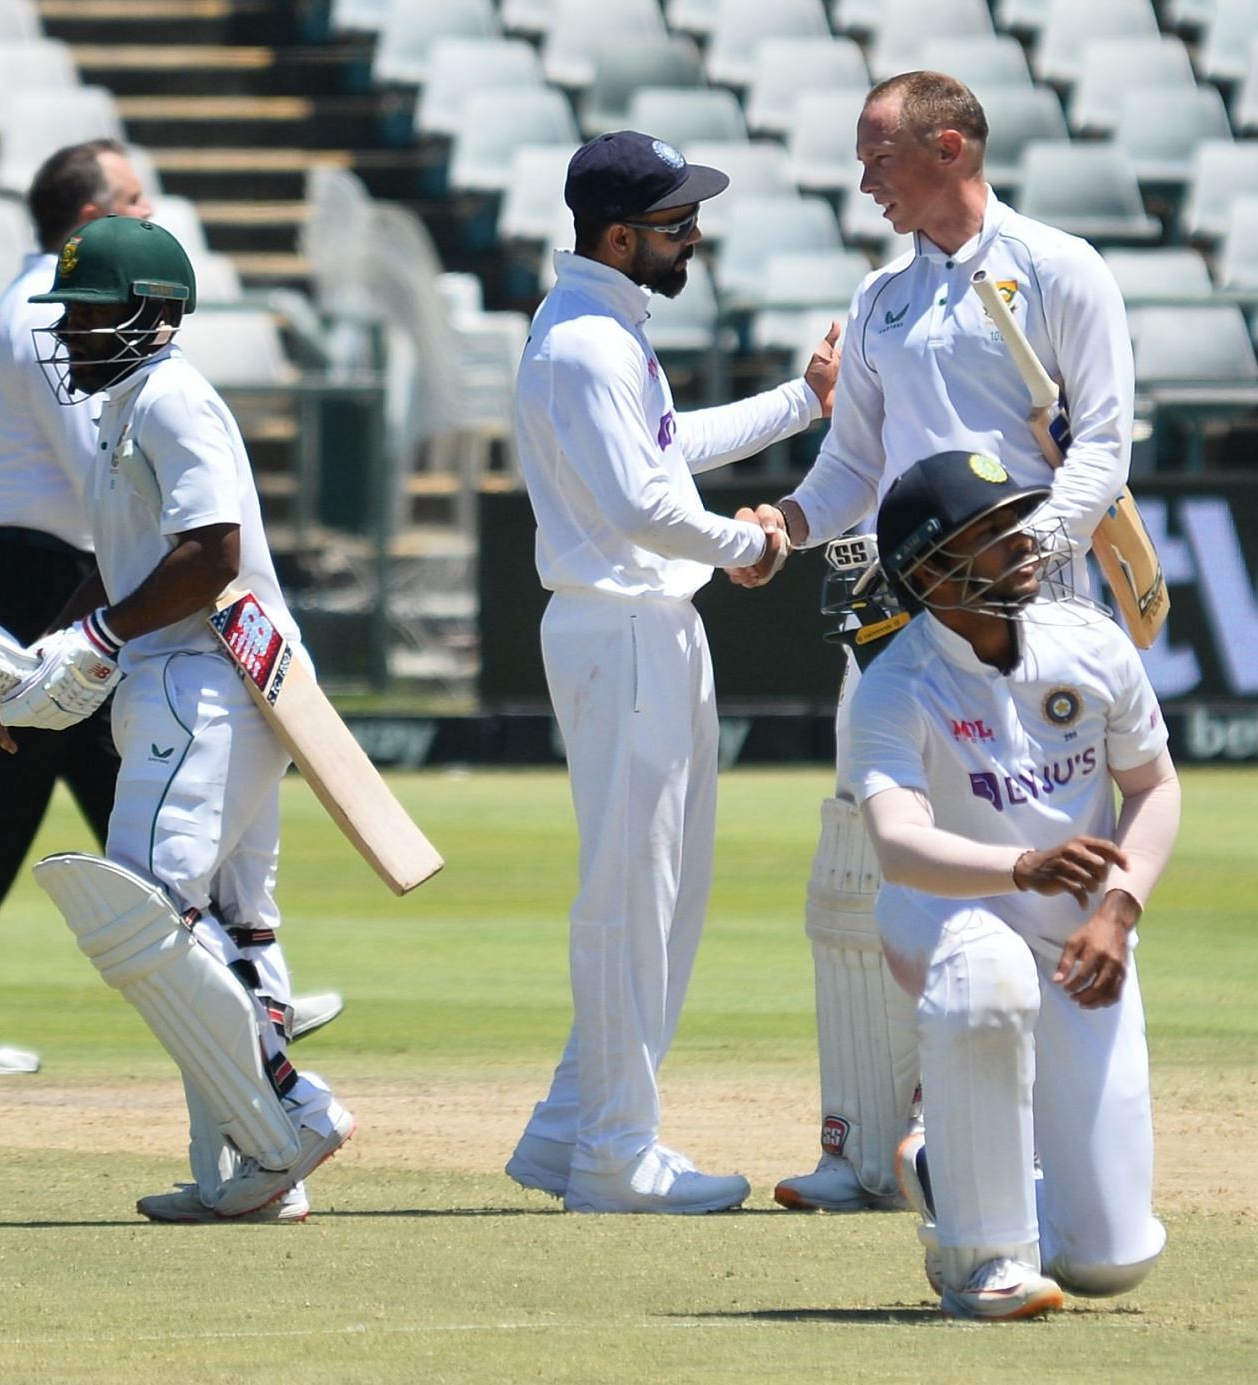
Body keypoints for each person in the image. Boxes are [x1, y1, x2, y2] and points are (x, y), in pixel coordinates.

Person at [737, 71, 1137, 1214]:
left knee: (1038, 876)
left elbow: (1104, 446)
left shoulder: (1059, 269)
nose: (863, 178)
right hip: (898, 613)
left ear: (949, 147)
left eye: (879, 155)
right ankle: (865, 1142)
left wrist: (1023, 552)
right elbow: (852, 466)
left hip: (1038, 613)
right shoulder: (880, 301)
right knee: (869, 867)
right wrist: (786, 526)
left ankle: (1032, 1148)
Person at [0, 139, 342, 1074]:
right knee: (18, 805)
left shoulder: (33, 306)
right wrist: (87, 629)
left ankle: (239, 979)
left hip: (69, 573)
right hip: (52, 570)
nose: (147, 216)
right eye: (132, 201)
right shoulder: (53, 319)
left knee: (93, 795)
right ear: (90, 221)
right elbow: (112, 479)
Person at [0, 214, 352, 1225]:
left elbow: (210, 554)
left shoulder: (173, 400)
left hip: (206, 679)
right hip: (202, 680)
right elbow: (130, 565)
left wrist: (99, 637)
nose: (72, 333)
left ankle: (292, 1108)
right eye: (68, 313)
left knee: (142, 914)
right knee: (223, 927)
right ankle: (243, 1167)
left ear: (155, 313)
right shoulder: (125, 407)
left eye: (93, 312)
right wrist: (37, 661)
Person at [504, 130, 840, 1214]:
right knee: (633, 897)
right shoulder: (585, 342)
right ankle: (615, 1150)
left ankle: (572, 1130)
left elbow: (664, 452)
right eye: (674, 224)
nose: (692, 237)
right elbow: (645, 507)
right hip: (623, 627)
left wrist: (801, 402)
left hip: (642, 626)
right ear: (618, 235)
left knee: (663, 892)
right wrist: (754, 548)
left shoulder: (604, 329)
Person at [842, 447, 1178, 1319]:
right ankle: (983, 1261)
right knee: (988, 974)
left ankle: (944, 1167)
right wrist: (1020, 866)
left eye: (1016, 522)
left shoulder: (1091, 640)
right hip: (945, 913)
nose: (1023, 544)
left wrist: (1118, 906)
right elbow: (900, 844)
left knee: (1110, 1259)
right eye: (990, 534)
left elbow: (1153, 787)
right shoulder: (893, 688)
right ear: (929, 568)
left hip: (1079, 936)